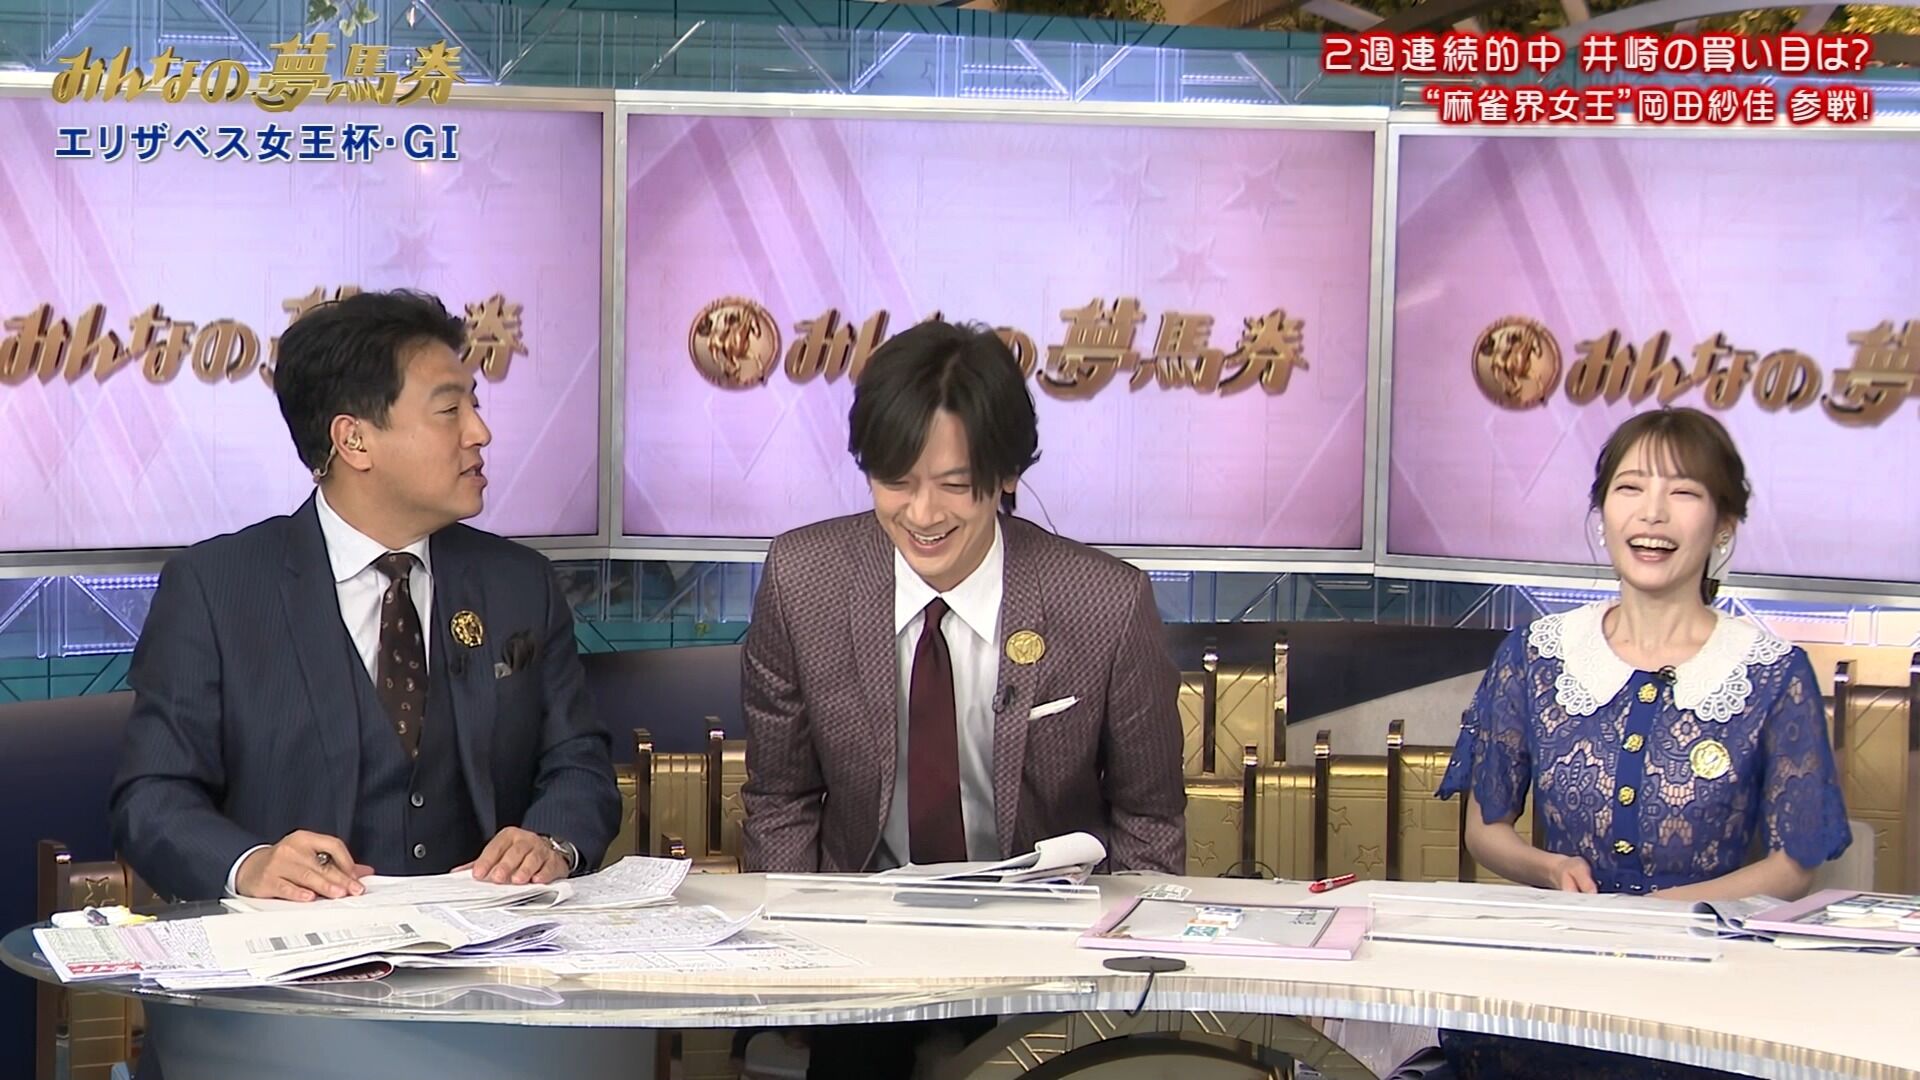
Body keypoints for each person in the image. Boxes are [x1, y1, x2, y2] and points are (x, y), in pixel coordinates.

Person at [739, 319, 1186, 1079]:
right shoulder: (803, 579)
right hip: (860, 953)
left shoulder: (1104, 603)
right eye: (897, 481)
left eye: (953, 484)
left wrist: (1117, 997)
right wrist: (801, 974)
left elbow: (1148, 820)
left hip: (1048, 962)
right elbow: (781, 799)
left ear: (1006, 472)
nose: (923, 515)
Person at [110, 289, 622, 911]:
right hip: (295, 954)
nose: (480, 433)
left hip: (491, 945)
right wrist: (249, 864)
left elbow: (579, 763)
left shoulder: (521, 584)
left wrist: (551, 842)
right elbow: (153, 795)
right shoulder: (216, 590)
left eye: (475, 405)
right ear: (354, 440)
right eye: (449, 410)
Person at [1433, 406, 1851, 1078]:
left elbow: (1793, 865)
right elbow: (1486, 830)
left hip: (1709, 990)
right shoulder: (1538, 654)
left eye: (1683, 492)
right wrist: (1549, 869)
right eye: (1630, 488)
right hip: (1561, 979)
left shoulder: (1772, 673)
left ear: (1724, 524)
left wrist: (1660, 914)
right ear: (1602, 513)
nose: (1652, 513)